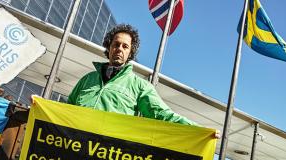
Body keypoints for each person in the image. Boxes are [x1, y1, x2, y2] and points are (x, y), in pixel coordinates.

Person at [67, 24, 195, 125]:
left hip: (107, 152)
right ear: (109, 47)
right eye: (116, 44)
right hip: (76, 148)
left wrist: (196, 129)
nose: (119, 49)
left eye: (125, 46)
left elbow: (161, 113)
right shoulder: (87, 79)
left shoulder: (140, 86)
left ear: (130, 52)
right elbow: (66, 110)